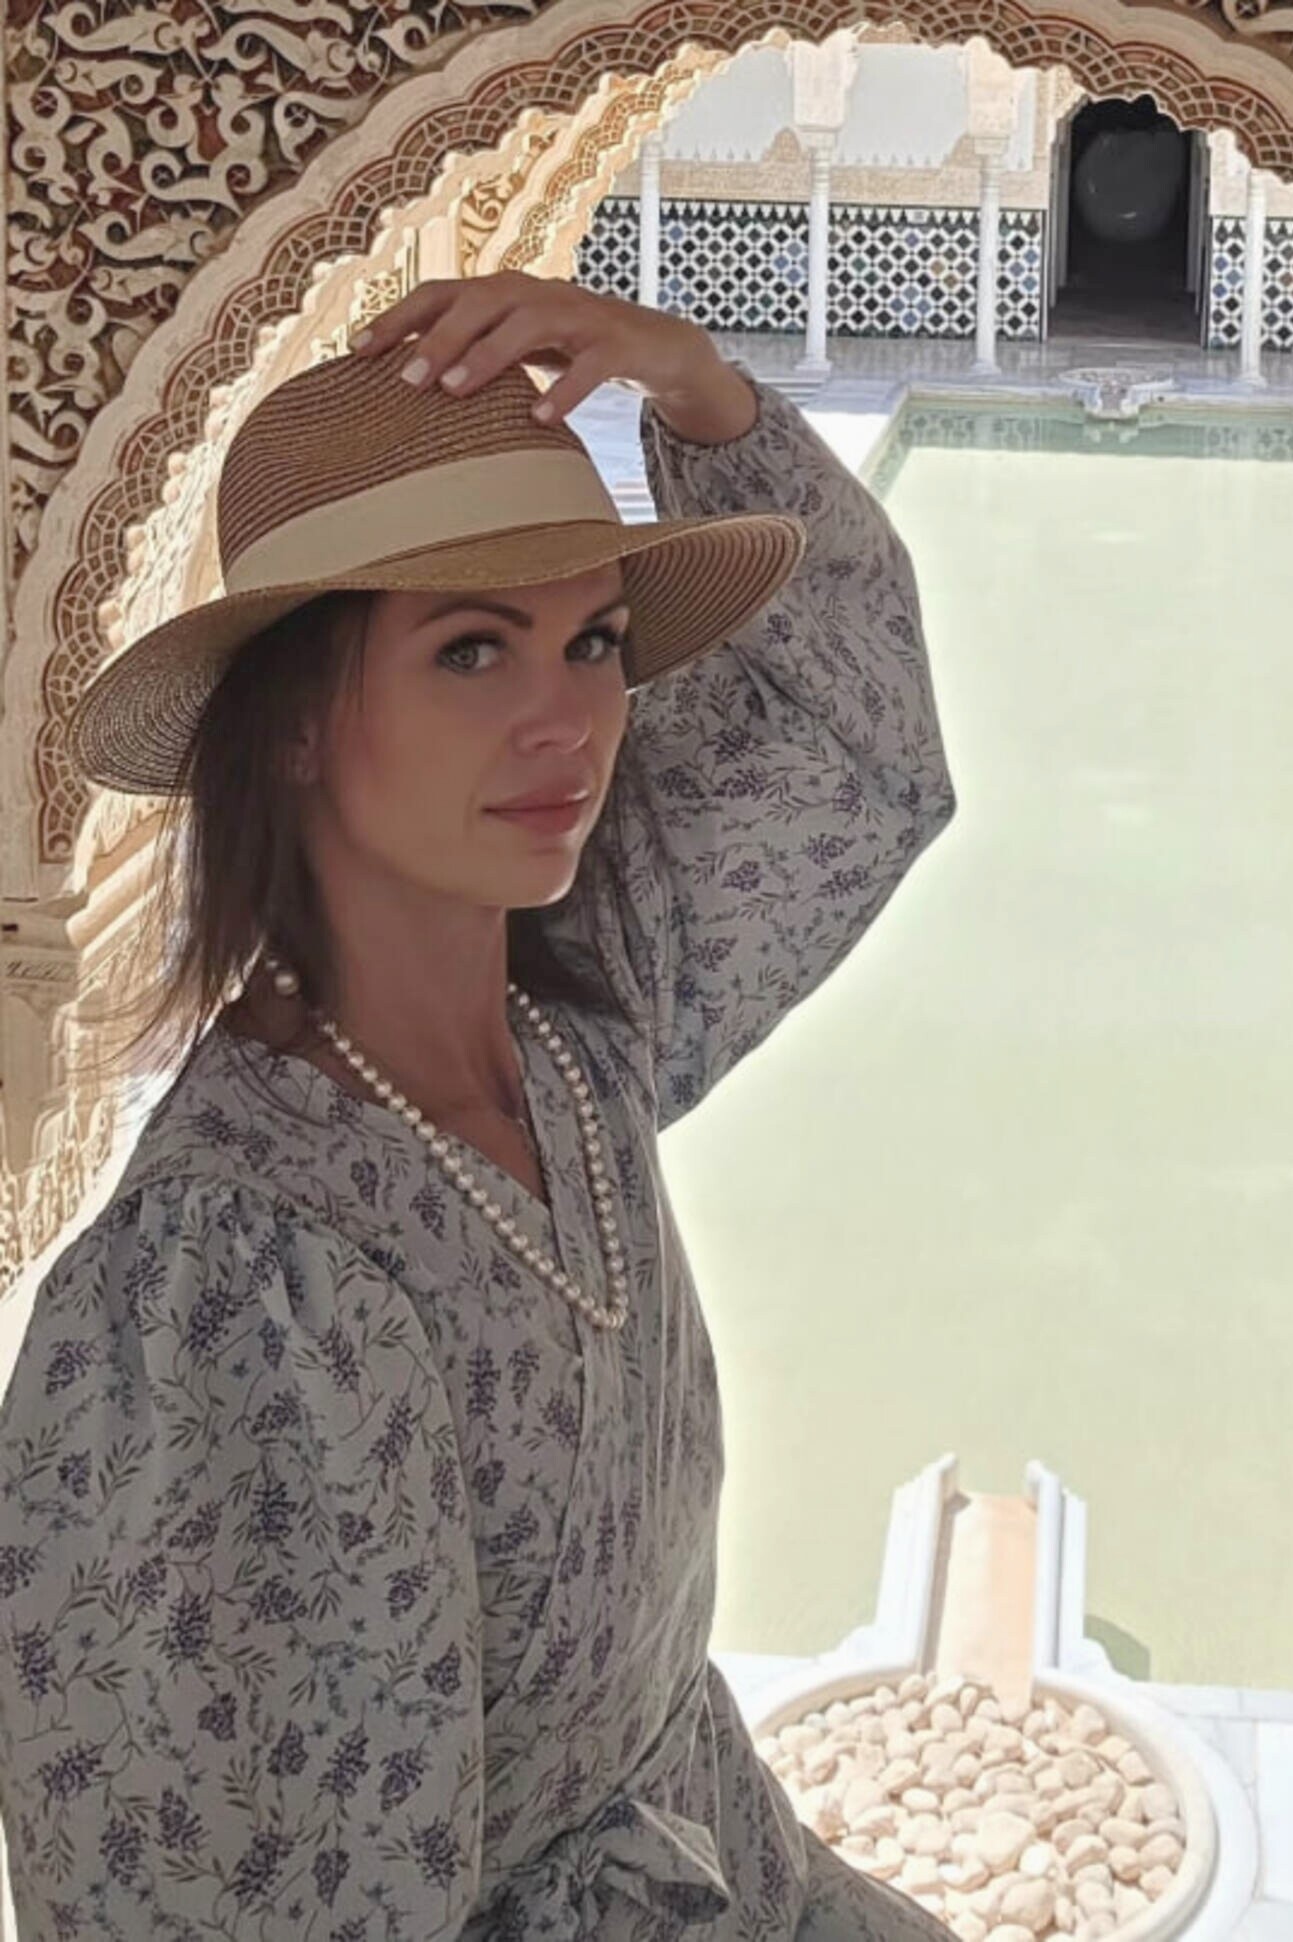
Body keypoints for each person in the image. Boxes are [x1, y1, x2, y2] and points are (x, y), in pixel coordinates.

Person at [0, 272, 957, 1939]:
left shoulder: (580, 1027)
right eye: (468, 649)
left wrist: (698, 390)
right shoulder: (234, 1285)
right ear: (293, 722)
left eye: (592, 641)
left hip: (729, 1864)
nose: (566, 720)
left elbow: (859, 762)